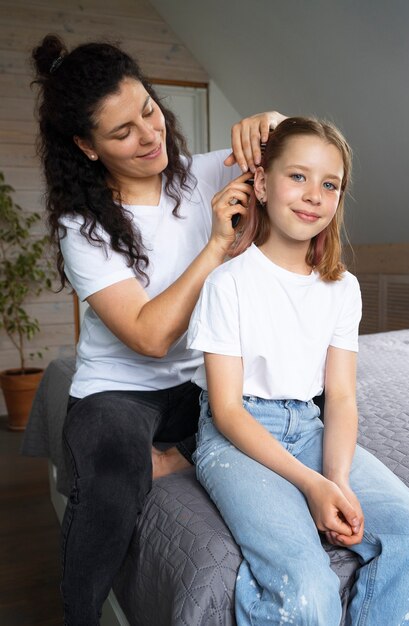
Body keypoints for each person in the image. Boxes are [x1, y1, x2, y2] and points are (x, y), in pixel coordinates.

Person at [31, 33, 285, 625]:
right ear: (86, 147)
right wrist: (216, 246)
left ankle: (171, 456)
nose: (149, 136)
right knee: (111, 478)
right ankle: (81, 616)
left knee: (274, 448)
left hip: (203, 378)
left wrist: (274, 121)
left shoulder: (204, 174)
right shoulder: (84, 227)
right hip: (120, 387)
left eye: (148, 110)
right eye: (122, 132)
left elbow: (303, 156)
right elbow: (148, 338)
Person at [187, 117, 409, 625]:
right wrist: (310, 487)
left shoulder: (343, 289)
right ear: (262, 184)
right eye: (298, 176)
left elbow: (340, 397)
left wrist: (335, 479)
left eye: (329, 184)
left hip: (309, 426)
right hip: (237, 436)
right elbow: (225, 411)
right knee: (309, 588)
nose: (314, 194)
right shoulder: (228, 283)